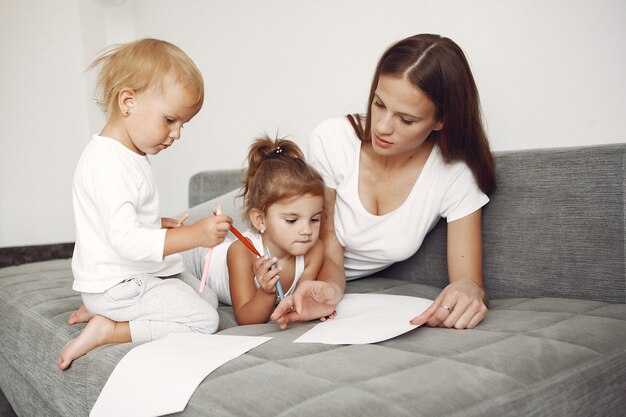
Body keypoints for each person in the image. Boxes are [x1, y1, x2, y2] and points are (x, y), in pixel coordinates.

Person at [271, 33, 496, 330]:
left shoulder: (454, 176)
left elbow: (469, 282)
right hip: (253, 235)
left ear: (440, 121)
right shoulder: (334, 140)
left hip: (290, 269)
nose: (382, 126)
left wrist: (470, 291)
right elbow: (327, 245)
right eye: (379, 104)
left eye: (406, 120)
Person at [58, 38, 233, 370]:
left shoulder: (128, 154)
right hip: (117, 284)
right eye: (170, 120)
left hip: (129, 276)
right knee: (205, 319)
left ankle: (105, 310)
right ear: (128, 102)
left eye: (183, 124)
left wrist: (156, 225)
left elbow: (119, 219)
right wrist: (195, 236)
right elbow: (124, 240)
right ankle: (111, 327)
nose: (177, 133)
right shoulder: (108, 163)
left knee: (206, 297)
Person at [182, 135, 330, 325]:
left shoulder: (314, 251)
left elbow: (299, 301)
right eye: (292, 220)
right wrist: (266, 292)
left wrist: (313, 305)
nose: (307, 230)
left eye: (315, 219)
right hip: (196, 256)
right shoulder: (241, 252)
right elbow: (246, 318)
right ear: (260, 220)